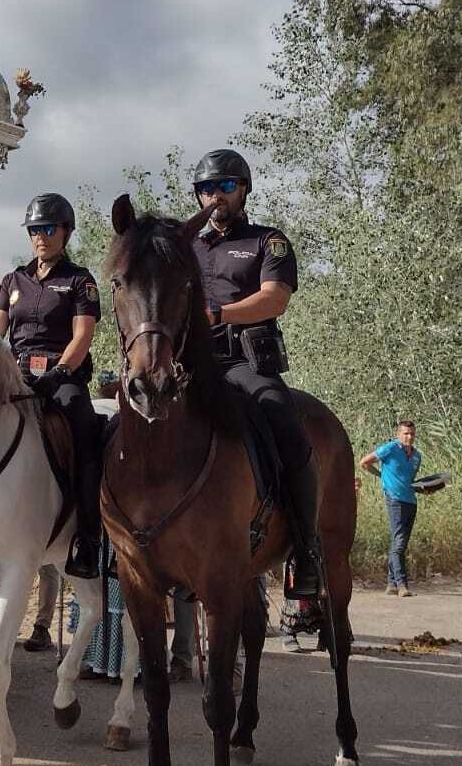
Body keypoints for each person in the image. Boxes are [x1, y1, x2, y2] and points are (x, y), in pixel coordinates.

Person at [189, 149, 321, 599]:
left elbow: (274, 299)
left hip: (245, 361)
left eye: (225, 186)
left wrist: (217, 313)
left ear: (244, 189)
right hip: (193, 364)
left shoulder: (269, 241)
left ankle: (307, 550)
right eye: (207, 188)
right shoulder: (188, 246)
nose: (215, 195)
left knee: (286, 425)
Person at [0, 193, 103, 579]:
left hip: (61, 378)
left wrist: (59, 372)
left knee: (88, 436)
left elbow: (82, 336)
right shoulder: (13, 280)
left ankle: (88, 539)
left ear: (66, 233)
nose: (41, 236)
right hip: (16, 375)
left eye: (48, 229)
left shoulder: (79, 281)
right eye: (35, 230)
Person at [358, 420, 428, 596]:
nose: (409, 437)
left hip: (411, 501)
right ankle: (402, 584)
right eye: (405, 433)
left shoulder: (417, 456)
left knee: (399, 544)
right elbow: (364, 462)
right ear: (399, 434)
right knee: (399, 542)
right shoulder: (390, 448)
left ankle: (391, 584)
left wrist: (426, 488)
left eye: (412, 433)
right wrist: (381, 476)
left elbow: (411, 480)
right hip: (394, 500)